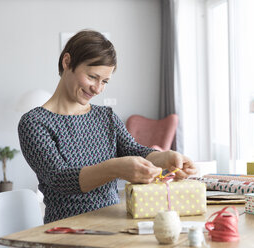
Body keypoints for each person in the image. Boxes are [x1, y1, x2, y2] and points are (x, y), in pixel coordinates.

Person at [18, 30, 197, 223]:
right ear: (67, 62)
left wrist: (164, 158)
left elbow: (132, 150)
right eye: (92, 76)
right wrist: (115, 168)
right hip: (66, 230)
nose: (97, 88)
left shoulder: (106, 116)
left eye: (104, 81)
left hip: (115, 222)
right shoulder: (34, 123)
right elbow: (60, 179)